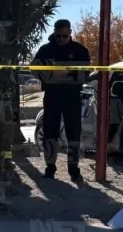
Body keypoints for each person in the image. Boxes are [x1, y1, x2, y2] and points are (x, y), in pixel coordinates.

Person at [31, 19, 91, 181]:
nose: (62, 39)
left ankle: (74, 168)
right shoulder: (45, 50)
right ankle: (50, 167)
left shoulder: (79, 51)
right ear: (54, 33)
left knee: (74, 133)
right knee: (50, 132)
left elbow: (85, 73)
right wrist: (51, 76)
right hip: (52, 96)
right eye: (58, 36)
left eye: (65, 36)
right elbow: (34, 69)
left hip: (72, 96)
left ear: (70, 32)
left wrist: (67, 74)